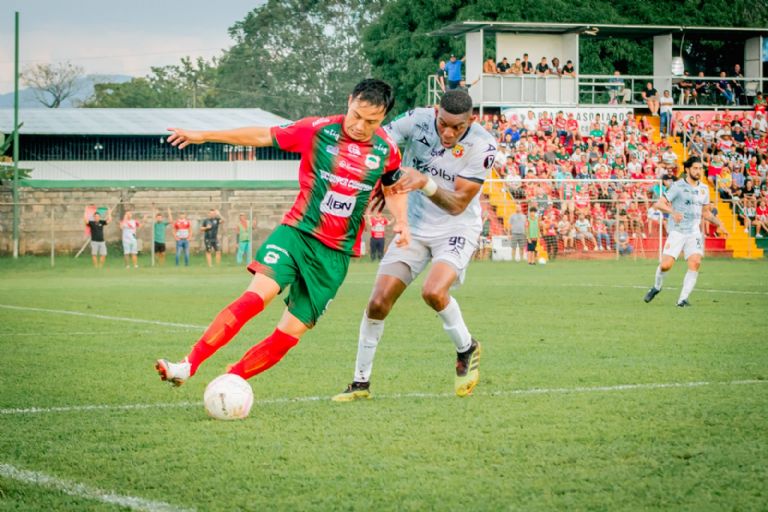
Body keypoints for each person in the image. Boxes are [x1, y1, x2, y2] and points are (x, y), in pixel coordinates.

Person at [155, 79, 409, 390]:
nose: (359, 126)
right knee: (256, 297)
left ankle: (230, 382)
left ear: (383, 118)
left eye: (371, 121)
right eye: (356, 115)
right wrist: (205, 136)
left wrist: (402, 221)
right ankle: (187, 365)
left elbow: (393, 187)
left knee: (289, 334)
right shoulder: (318, 130)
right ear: (349, 101)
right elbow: (263, 135)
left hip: (335, 255)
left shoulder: (387, 150)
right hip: (296, 233)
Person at [332, 89, 497, 402]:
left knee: (433, 292)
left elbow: (458, 204)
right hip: (415, 226)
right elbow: (379, 144)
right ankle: (360, 384)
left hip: (456, 228)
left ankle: (466, 348)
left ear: (471, 121)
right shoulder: (417, 120)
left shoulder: (483, 145)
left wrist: (424, 182)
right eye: (443, 124)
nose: (448, 133)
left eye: (457, 128)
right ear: (435, 112)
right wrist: (384, 182)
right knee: (378, 301)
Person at [644, 156, 727, 307]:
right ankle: (656, 287)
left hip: (694, 232)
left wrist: (720, 223)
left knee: (695, 262)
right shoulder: (677, 186)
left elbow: (706, 213)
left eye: (700, 168)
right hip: (677, 231)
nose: (698, 171)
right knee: (665, 265)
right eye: (695, 168)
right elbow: (659, 204)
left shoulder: (704, 189)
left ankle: (682, 299)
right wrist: (673, 212)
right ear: (687, 169)